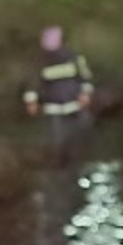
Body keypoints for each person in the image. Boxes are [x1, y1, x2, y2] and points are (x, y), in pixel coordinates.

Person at [22, 26, 95, 164]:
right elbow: (32, 82)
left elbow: (86, 77)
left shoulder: (74, 57)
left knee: (81, 138)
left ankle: (79, 162)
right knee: (57, 142)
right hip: (53, 108)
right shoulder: (39, 61)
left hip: (76, 105)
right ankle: (59, 164)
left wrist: (85, 94)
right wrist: (31, 102)